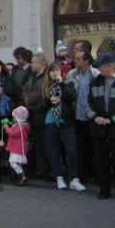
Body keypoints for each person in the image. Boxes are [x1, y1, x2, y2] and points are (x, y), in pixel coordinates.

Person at [86, 53, 115, 200]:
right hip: (99, 128)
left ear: (109, 66)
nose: (99, 70)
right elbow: (88, 103)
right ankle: (104, 190)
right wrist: (95, 117)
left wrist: (112, 120)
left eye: (101, 66)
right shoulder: (95, 82)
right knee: (101, 161)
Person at [42, 62, 85, 191]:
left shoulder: (67, 84)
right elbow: (39, 106)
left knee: (71, 150)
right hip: (51, 121)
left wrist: (61, 84)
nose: (54, 73)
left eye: (57, 70)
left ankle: (74, 179)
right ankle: (59, 177)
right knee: (54, 150)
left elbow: (72, 97)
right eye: (52, 70)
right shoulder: (44, 87)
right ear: (48, 73)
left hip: (66, 121)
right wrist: (49, 101)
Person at [66, 48, 100, 183]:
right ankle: (83, 174)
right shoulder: (72, 74)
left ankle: (96, 173)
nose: (75, 61)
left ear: (86, 61)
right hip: (77, 115)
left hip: (93, 116)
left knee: (94, 147)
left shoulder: (96, 74)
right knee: (80, 146)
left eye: (78, 59)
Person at [23, 53, 51, 180]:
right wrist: (26, 98)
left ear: (41, 63)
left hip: (44, 114)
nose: (31, 64)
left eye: (33, 62)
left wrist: (31, 98)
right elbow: (24, 89)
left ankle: (51, 169)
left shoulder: (47, 77)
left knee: (48, 143)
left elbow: (43, 95)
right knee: (39, 143)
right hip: (34, 114)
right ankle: (42, 169)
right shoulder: (32, 76)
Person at [2, 105, 30, 186]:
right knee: (18, 163)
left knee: (12, 162)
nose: (13, 119)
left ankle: (21, 174)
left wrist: (6, 127)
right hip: (18, 148)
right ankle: (22, 177)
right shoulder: (22, 126)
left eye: (14, 117)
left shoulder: (21, 127)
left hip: (17, 148)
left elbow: (12, 133)